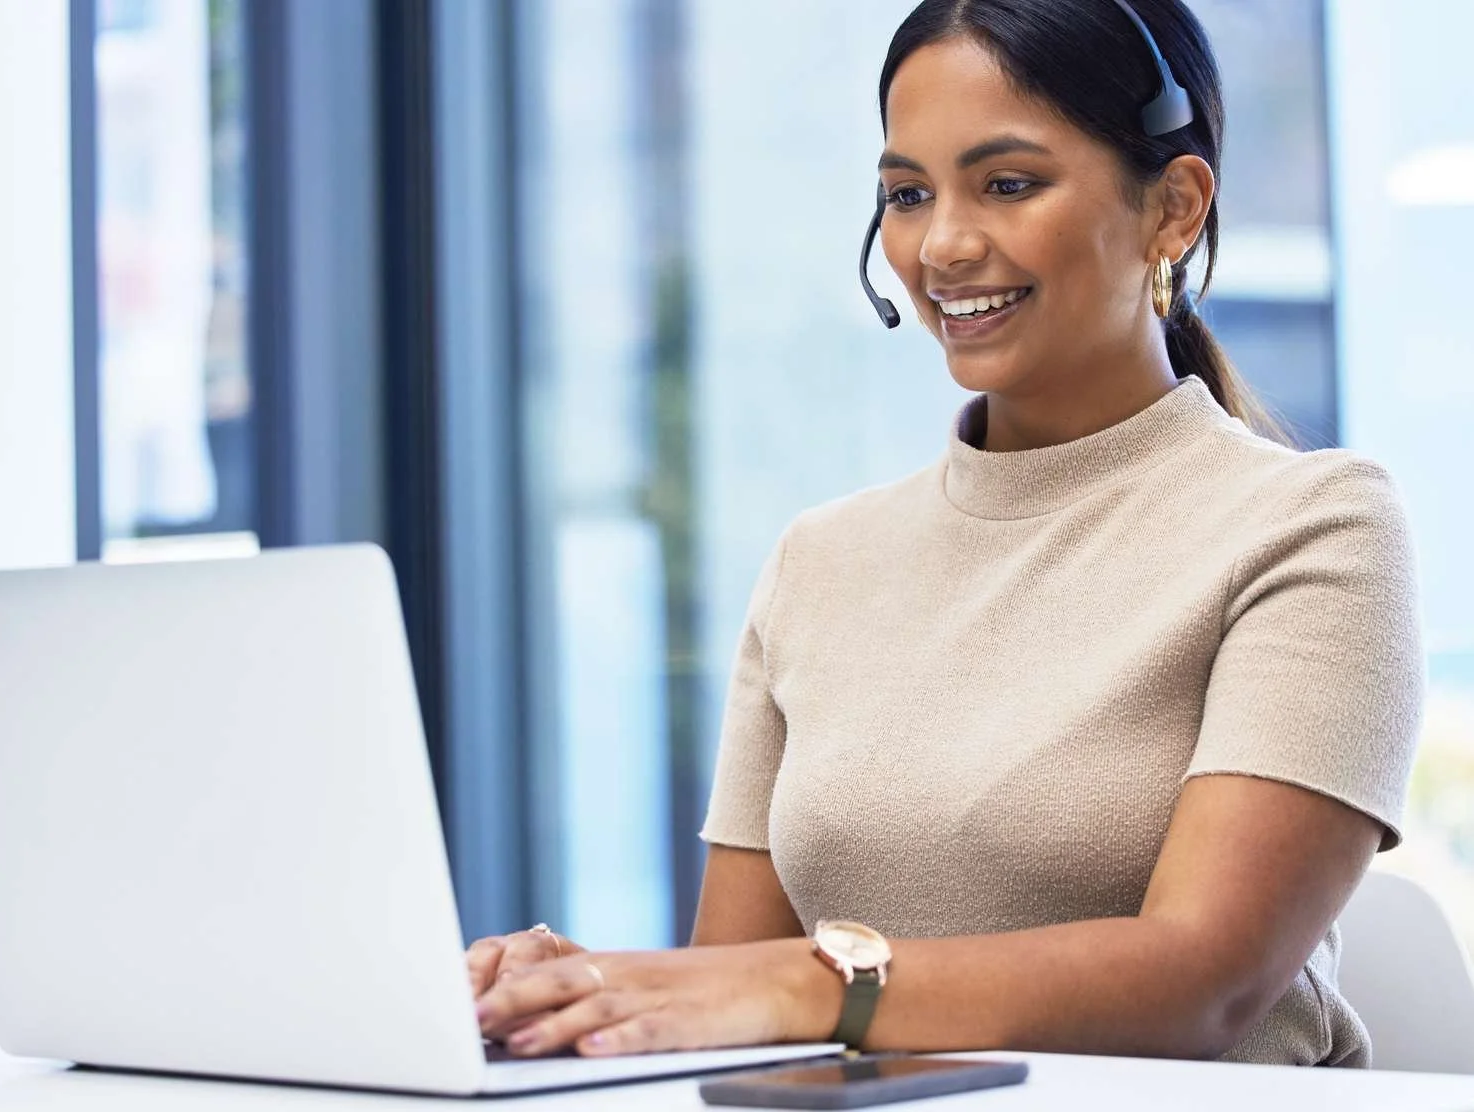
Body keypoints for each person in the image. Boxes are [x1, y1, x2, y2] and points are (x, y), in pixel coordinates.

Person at [467, 0, 1421, 1067]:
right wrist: (580, 994)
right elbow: (737, 994)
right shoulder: (819, 561)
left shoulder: (1315, 527)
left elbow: (1205, 980)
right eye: (907, 195)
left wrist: (801, 977)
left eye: (1008, 183)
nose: (944, 246)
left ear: (1175, 208)